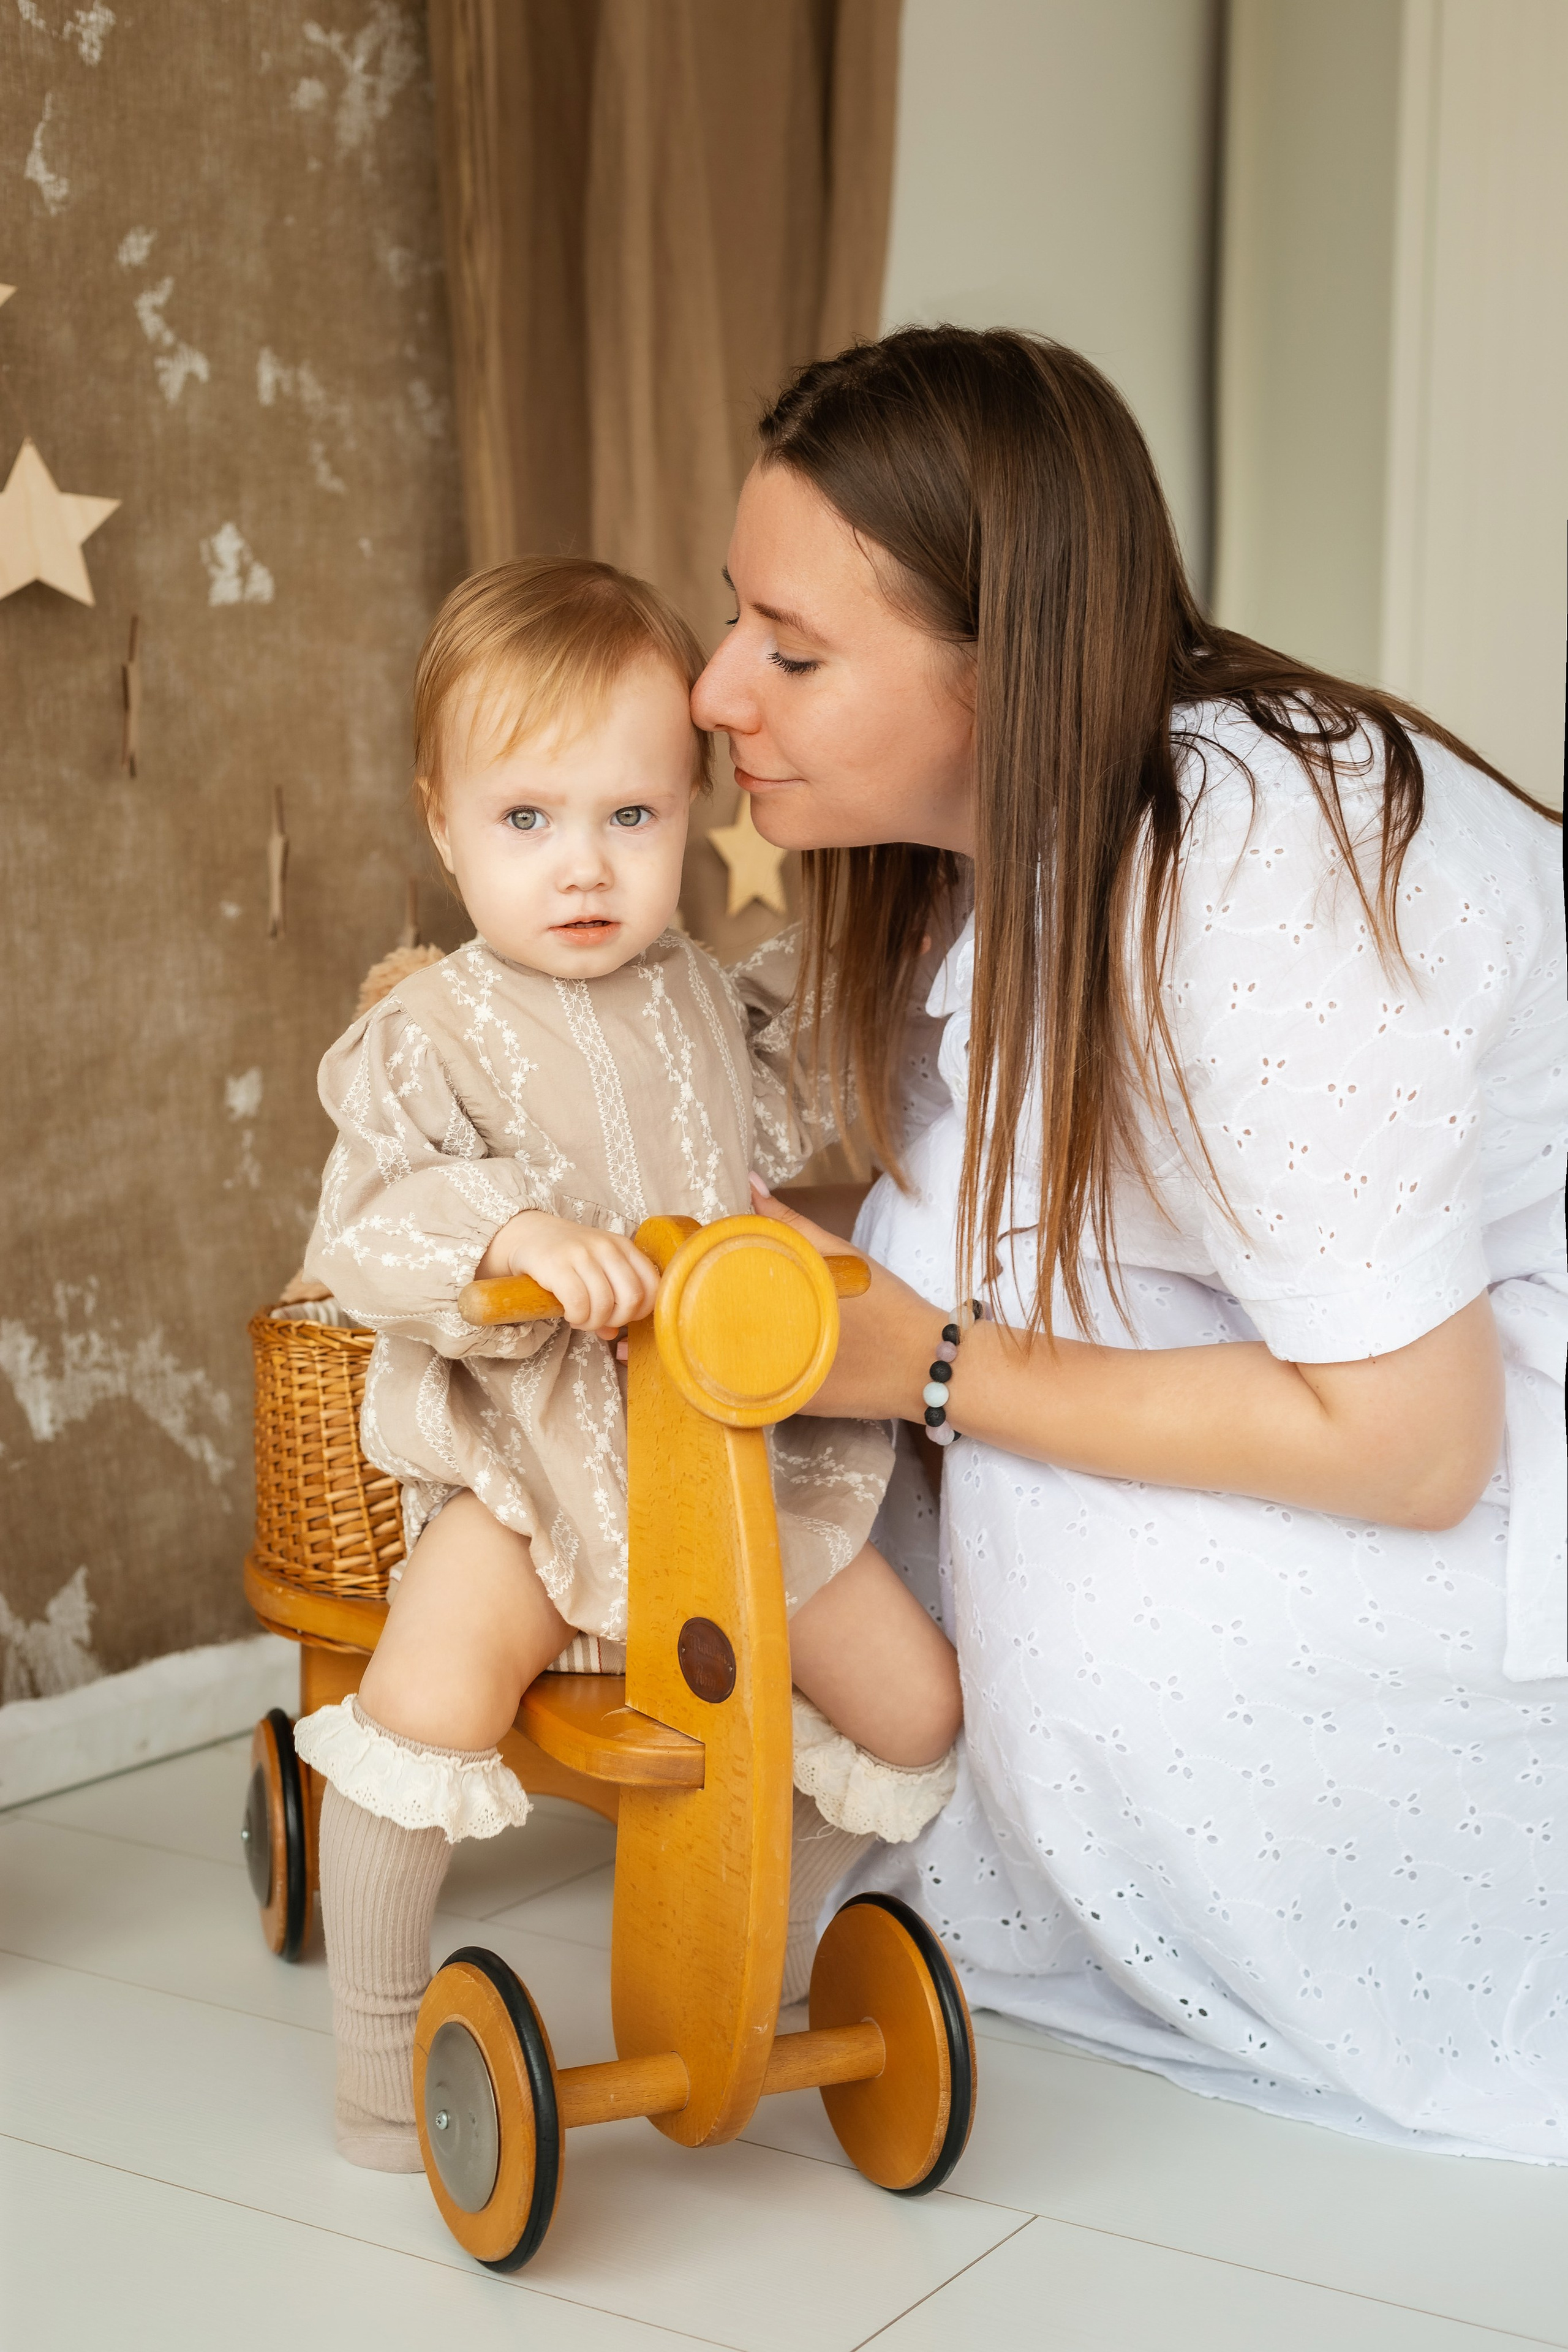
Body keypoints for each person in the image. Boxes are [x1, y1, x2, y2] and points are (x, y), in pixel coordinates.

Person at [692, 326, 1567, 2161]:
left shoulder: (1253, 865)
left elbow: (1417, 1449)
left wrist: (922, 1361)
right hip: (1379, 1381)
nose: (713, 694)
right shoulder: (988, 860)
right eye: (732, 625)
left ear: (999, 668)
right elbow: (1005, 1202)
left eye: (792, 650)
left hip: (1477, 1436)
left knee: (1044, 1554)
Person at [293, 558, 961, 2169]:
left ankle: (751, 1957)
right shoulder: (430, 1033)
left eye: (632, 819)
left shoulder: (695, 1002)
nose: (583, 868)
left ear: (687, 810)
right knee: (430, 1693)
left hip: (738, 1468)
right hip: (538, 1461)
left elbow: (800, 1129)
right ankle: (380, 2043)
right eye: (528, 821)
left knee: (919, 1703)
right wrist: (515, 1232)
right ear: (441, 820)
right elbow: (363, 1230)